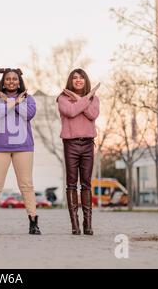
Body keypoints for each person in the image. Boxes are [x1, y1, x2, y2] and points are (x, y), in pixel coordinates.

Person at [0, 67, 41, 235]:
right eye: (8, 79)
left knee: (26, 185)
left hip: (23, 147)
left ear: (19, 81)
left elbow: (28, 114)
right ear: (3, 81)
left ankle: (33, 222)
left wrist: (11, 102)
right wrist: (14, 102)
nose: (11, 81)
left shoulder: (28, 99)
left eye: (14, 79)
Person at [57, 68, 100, 235]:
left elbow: (91, 114)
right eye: (74, 78)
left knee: (86, 184)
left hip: (88, 144)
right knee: (71, 184)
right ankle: (75, 224)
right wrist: (83, 99)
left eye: (81, 77)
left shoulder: (94, 99)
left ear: (85, 80)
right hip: (71, 144)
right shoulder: (62, 99)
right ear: (71, 81)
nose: (78, 80)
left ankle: (87, 223)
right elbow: (72, 111)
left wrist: (80, 99)